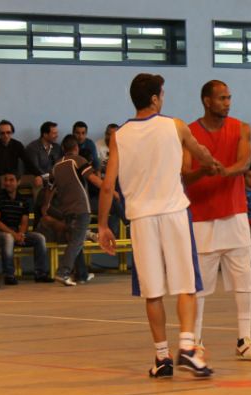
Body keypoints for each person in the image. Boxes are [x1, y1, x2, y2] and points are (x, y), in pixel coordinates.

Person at [97, 73, 221, 378]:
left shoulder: (119, 135)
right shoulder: (174, 125)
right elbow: (200, 152)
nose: (163, 97)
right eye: (161, 93)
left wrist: (102, 226)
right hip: (174, 213)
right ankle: (189, 348)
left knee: (152, 291)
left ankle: (163, 357)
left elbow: (107, 185)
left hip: (140, 219)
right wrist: (212, 163)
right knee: (186, 285)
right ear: (154, 98)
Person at [182, 79, 251, 362]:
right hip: (202, 218)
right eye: (221, 98)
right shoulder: (189, 132)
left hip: (235, 215)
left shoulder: (241, 128)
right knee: (201, 286)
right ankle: (195, 342)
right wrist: (204, 171)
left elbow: (245, 163)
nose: (227, 102)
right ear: (207, 101)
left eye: (229, 97)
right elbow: (184, 174)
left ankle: (245, 339)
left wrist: (222, 171)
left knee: (244, 281)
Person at [52, 135, 102, 286]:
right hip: (80, 207)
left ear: (63, 149)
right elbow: (93, 179)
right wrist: (110, 190)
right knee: (76, 242)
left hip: (66, 208)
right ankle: (63, 272)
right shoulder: (78, 160)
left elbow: (50, 188)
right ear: (76, 148)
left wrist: (46, 205)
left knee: (76, 240)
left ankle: (82, 274)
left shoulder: (56, 165)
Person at [0, 173, 53, 284]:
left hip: (16, 232)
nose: (8, 183)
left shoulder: (23, 200)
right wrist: (13, 234)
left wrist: (21, 234)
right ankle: (9, 275)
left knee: (39, 238)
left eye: (11, 180)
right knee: (8, 238)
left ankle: (41, 274)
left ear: (18, 182)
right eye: (6, 180)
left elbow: (24, 221)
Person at [0, 120, 43, 189]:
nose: (6, 135)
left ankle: (38, 200)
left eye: (8, 132)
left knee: (37, 180)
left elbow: (27, 161)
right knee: (8, 182)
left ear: (12, 132)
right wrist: (9, 176)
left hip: (15, 176)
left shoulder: (17, 145)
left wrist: (38, 175)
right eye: (2, 133)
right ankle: (9, 199)